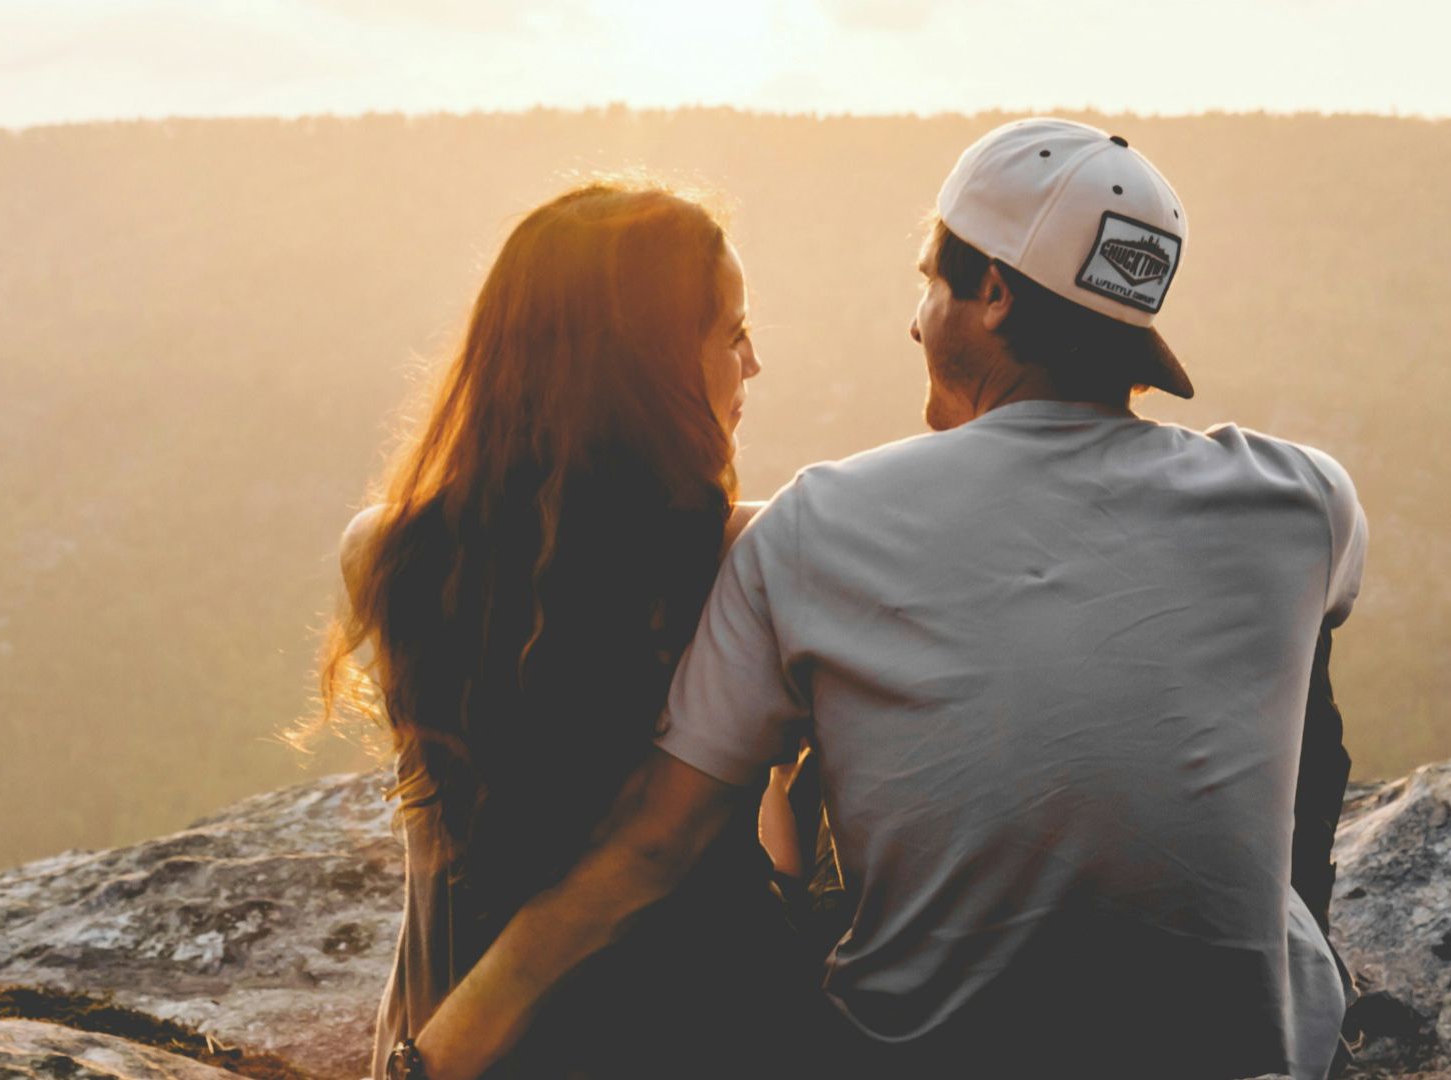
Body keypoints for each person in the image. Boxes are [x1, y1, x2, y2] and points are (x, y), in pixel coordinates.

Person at [406, 118, 1368, 1080]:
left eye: (930, 281)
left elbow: (651, 849)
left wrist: (436, 1054)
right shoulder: (1303, 501)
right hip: (1245, 1061)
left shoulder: (818, 527)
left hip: (911, 1058)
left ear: (991, 294)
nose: (915, 319)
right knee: (1300, 651)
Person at [313, 178, 803, 1079]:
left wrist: (420, 1049)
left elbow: (434, 855)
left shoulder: (385, 552)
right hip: (708, 1029)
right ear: (646, 371)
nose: (755, 364)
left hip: (455, 1031)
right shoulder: (754, 554)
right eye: (732, 333)